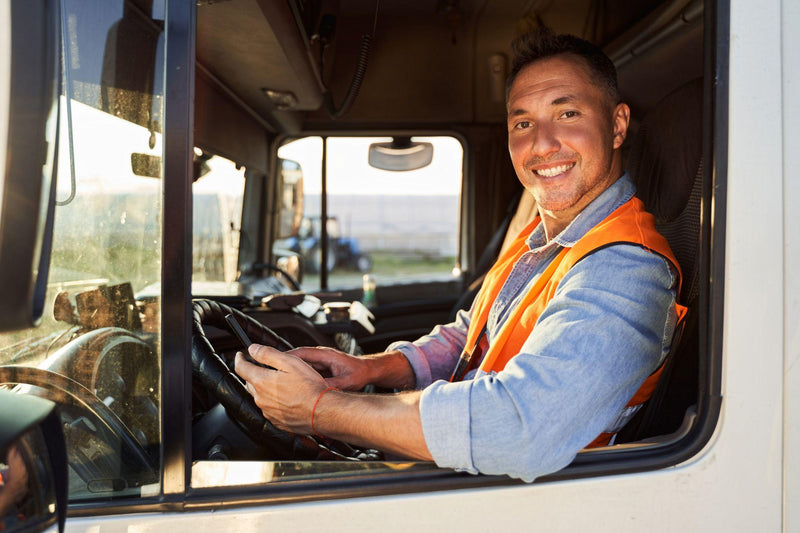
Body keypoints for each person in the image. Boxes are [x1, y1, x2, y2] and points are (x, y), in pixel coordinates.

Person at [235, 27, 687, 482]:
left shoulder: (626, 267)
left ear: (617, 125)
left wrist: (320, 409)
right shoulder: (544, 237)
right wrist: (372, 368)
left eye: (567, 113)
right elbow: (475, 334)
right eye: (522, 123)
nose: (542, 143)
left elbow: (518, 428)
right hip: (468, 476)